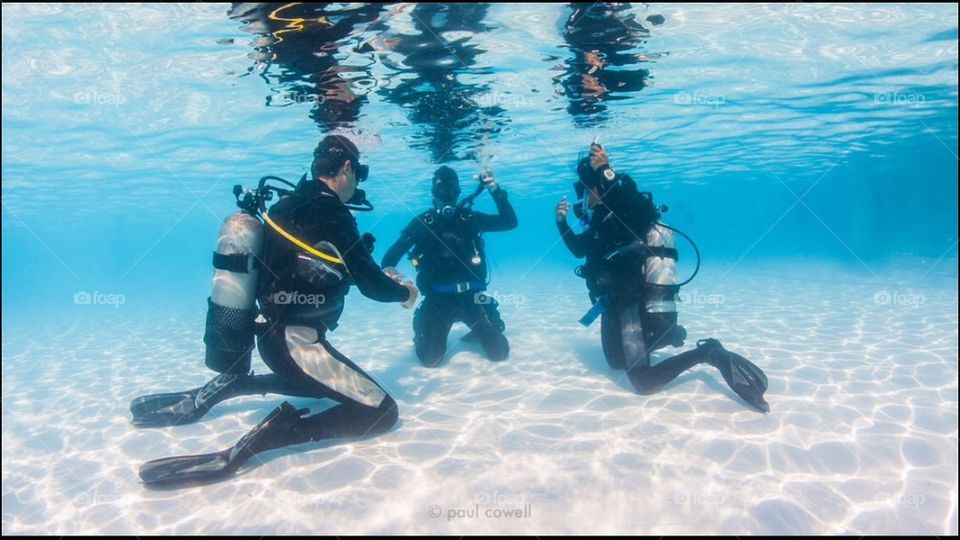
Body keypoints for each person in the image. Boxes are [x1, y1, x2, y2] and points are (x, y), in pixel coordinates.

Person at [130, 135, 419, 488]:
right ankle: (267, 438)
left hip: (269, 338)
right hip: (299, 347)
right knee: (382, 413)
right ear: (346, 168)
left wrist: (368, 275)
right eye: (358, 174)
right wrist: (405, 292)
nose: (357, 184)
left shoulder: (286, 205)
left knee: (321, 389)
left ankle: (228, 386)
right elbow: (373, 287)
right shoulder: (331, 212)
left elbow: (308, 270)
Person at [556, 141, 769, 412]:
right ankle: (666, 336)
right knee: (614, 362)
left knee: (643, 382)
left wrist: (605, 171)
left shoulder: (625, 210)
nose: (582, 198)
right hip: (613, 301)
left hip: (631, 302)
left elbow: (638, 209)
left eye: (584, 190)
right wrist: (561, 222)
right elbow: (578, 249)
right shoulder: (603, 220)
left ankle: (708, 352)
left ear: (597, 186)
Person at [380, 165, 517, 366]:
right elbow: (392, 254)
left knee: (500, 352)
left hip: (472, 298)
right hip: (437, 301)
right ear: (433, 193)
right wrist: (388, 268)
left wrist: (495, 190)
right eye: (441, 189)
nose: (447, 194)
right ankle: (423, 320)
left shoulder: (470, 219)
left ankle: (488, 310)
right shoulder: (422, 223)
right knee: (430, 359)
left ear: (459, 192)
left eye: (451, 189)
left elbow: (509, 221)